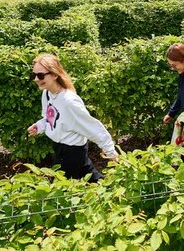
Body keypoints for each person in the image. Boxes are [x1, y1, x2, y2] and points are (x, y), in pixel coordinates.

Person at [27, 54, 117, 182]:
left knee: (62, 189)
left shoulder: (69, 101)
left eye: (40, 75)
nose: (36, 79)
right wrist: (39, 126)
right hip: (59, 148)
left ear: (55, 75)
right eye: (33, 75)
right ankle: (113, 191)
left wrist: (110, 152)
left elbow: (91, 127)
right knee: (93, 180)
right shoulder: (46, 93)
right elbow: (49, 118)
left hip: (72, 152)